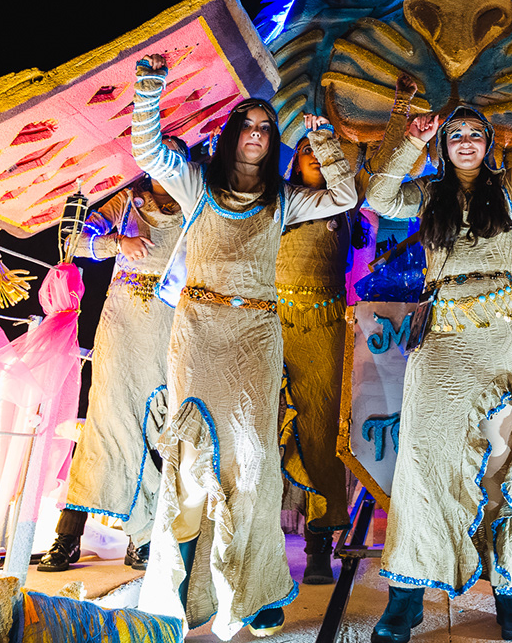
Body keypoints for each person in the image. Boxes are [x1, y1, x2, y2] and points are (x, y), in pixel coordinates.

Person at [362, 60, 512, 643]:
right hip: (442, 334)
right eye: (455, 135)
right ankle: (406, 595)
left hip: (501, 335)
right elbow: (378, 193)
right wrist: (409, 141)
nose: (466, 141)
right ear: (443, 146)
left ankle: (511, 591)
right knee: (424, 456)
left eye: (475, 133)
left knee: (505, 457)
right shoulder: (426, 195)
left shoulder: (511, 188)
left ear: (488, 143)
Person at [131, 53, 356, 639]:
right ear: (231, 134)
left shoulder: (284, 199)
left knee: (254, 465)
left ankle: (256, 592)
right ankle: (182, 592)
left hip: (256, 336)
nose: (256, 134)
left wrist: (324, 143)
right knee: (191, 464)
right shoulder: (196, 183)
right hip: (199, 334)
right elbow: (148, 151)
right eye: (247, 125)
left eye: (265, 128)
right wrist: (149, 90)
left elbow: (344, 196)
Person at [41, 167, 188, 573]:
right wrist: (117, 242)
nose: (170, 158)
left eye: (179, 150)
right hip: (122, 320)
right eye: (162, 148)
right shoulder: (126, 201)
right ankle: (67, 536)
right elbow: (72, 240)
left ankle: (143, 537)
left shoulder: (195, 199)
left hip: (169, 323)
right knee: (104, 423)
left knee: (157, 427)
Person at [277, 140, 354, 586]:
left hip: (325, 327)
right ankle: (258, 546)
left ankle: (318, 545)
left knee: (321, 434)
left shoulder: (346, 202)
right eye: (306, 147)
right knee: (268, 430)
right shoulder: (278, 198)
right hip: (273, 324)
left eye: (323, 148)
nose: (315, 153)